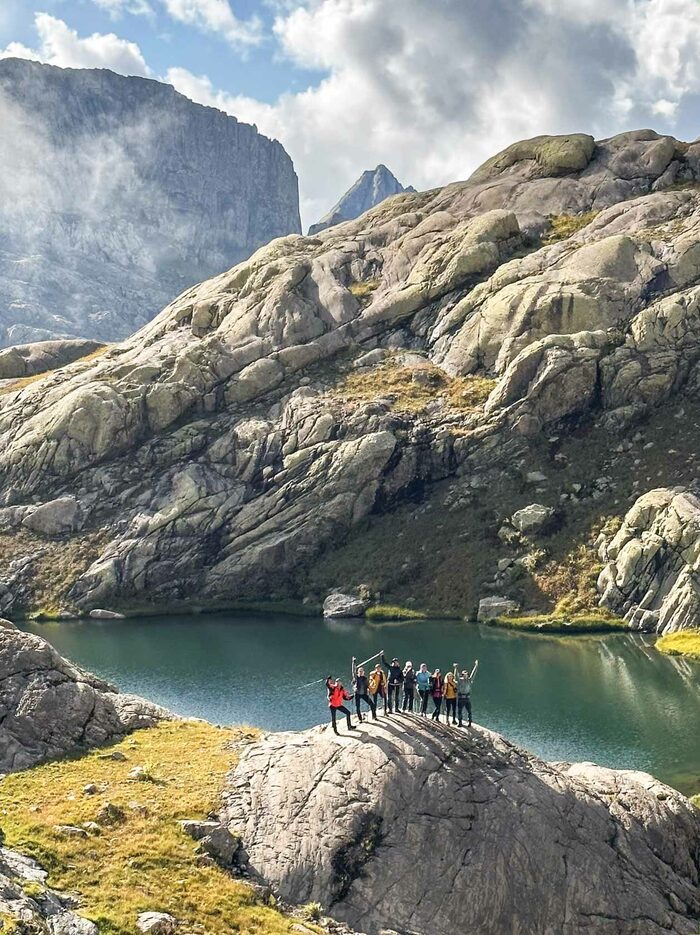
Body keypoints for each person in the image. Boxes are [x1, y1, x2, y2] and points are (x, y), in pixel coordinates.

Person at [457, 659, 479, 727]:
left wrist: (476, 665)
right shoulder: (460, 680)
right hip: (461, 698)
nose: (465, 675)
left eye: (466, 674)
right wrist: (455, 668)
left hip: (467, 699)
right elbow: (456, 676)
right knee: (459, 711)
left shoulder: (469, 680)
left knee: (469, 711)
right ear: (462, 675)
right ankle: (460, 722)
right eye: (464, 674)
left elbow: (473, 673)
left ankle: (469, 722)